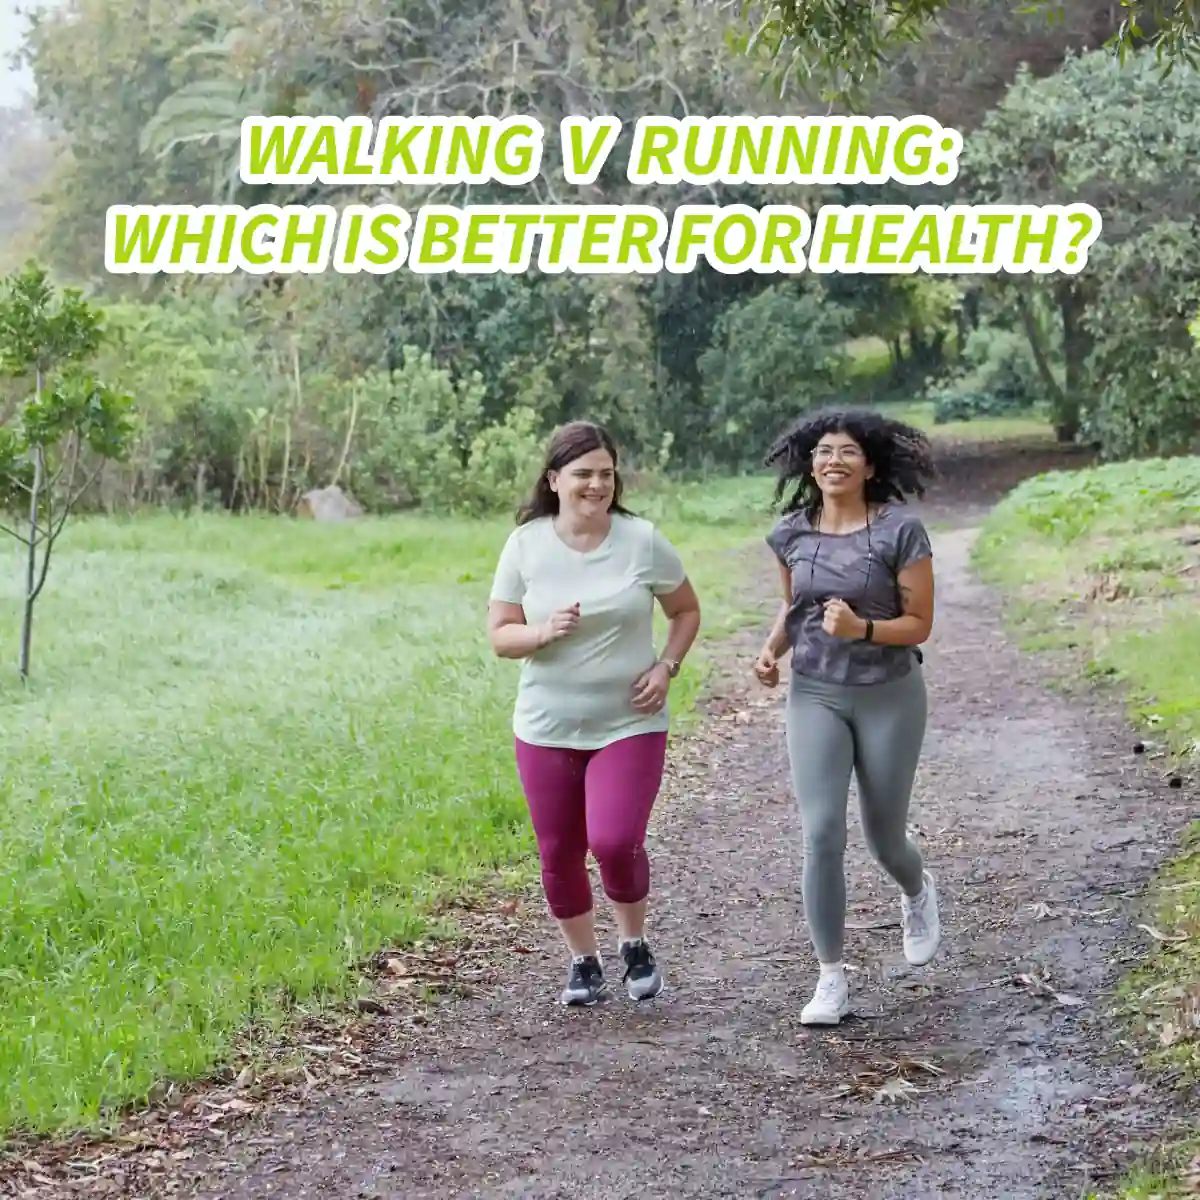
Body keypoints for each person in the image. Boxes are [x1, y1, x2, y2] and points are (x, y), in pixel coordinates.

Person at [487, 420, 701, 1007]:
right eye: (583, 475)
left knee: (614, 839)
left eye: (606, 475)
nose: (596, 485)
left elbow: (685, 611)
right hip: (546, 726)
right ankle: (583, 960)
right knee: (558, 850)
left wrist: (666, 667)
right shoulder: (525, 544)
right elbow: (500, 636)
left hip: (628, 721)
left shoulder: (641, 540)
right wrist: (541, 632)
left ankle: (634, 942)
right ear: (554, 480)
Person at [753, 408, 941, 1026]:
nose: (834, 461)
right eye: (824, 452)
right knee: (821, 832)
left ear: (870, 466)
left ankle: (916, 891)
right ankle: (831, 976)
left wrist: (862, 627)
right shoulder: (790, 534)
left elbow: (920, 625)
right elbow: (795, 608)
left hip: (888, 692)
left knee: (884, 837)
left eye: (848, 453)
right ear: (811, 465)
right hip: (816, 694)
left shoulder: (899, 532)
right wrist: (770, 650)